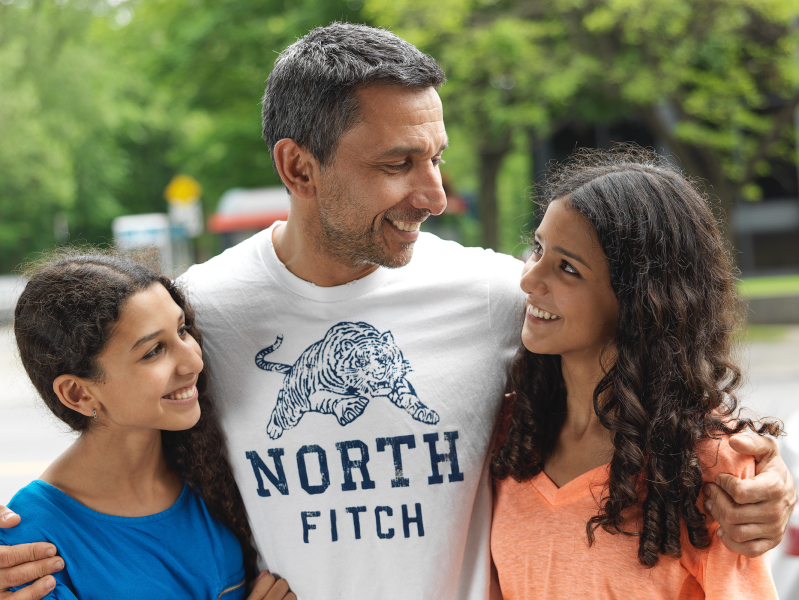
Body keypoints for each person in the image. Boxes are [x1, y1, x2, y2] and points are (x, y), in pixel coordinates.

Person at [0, 23, 794, 600]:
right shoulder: (199, 318)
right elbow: (111, 450)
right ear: (298, 166)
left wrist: (756, 474)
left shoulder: (499, 295)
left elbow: (649, 343)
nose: (434, 195)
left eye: (437, 156)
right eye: (397, 164)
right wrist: (20, 542)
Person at [491, 147, 780, 598]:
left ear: (638, 301)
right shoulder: (511, 433)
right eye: (538, 248)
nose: (528, 279)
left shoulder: (706, 464)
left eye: (567, 267)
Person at [0, 252, 295, 600]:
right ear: (78, 392)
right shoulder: (29, 545)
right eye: (154, 351)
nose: (193, 360)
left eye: (182, 330)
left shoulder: (210, 473)